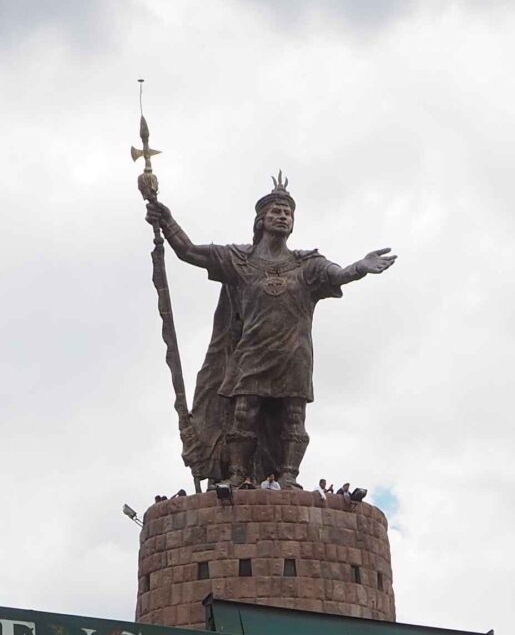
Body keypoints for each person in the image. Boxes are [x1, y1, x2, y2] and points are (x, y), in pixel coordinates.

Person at [146, 179, 396, 486]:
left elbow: (338, 275)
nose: (282, 217)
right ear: (261, 220)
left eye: (288, 214)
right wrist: (167, 220)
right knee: (243, 413)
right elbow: (189, 252)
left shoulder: (308, 264)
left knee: (294, 417)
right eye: (276, 212)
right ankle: (237, 475)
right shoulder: (241, 260)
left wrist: (358, 267)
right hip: (251, 352)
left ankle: (288, 476)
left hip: (294, 354)